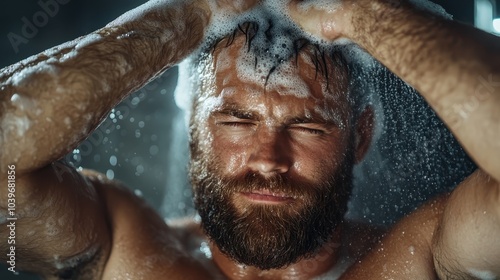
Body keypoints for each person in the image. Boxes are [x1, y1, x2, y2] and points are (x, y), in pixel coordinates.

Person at [0, 0, 499, 279]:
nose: (268, 160)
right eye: (236, 122)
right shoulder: (123, 249)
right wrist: (184, 18)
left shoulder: (420, 260)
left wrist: (361, 14)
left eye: (307, 127)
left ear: (360, 137)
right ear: (194, 128)